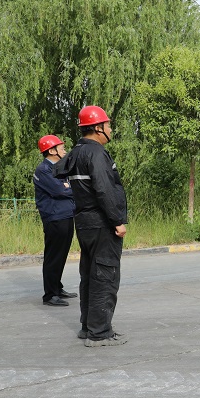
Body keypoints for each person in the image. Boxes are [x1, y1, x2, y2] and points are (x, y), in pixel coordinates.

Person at [54, 106, 127, 347]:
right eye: (108, 125)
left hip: (84, 223)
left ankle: (88, 327)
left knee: (89, 276)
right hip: (102, 223)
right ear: (98, 128)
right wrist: (117, 221)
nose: (110, 129)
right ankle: (100, 333)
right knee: (105, 277)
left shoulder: (75, 152)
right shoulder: (96, 153)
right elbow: (104, 189)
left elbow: (58, 170)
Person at [34, 135, 76, 307]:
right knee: (53, 256)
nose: (65, 151)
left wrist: (68, 187)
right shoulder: (43, 170)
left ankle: (57, 287)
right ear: (52, 151)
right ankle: (50, 295)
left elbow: (67, 188)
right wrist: (68, 187)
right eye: (61, 148)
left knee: (62, 254)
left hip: (66, 215)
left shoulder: (59, 168)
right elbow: (61, 191)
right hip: (55, 218)